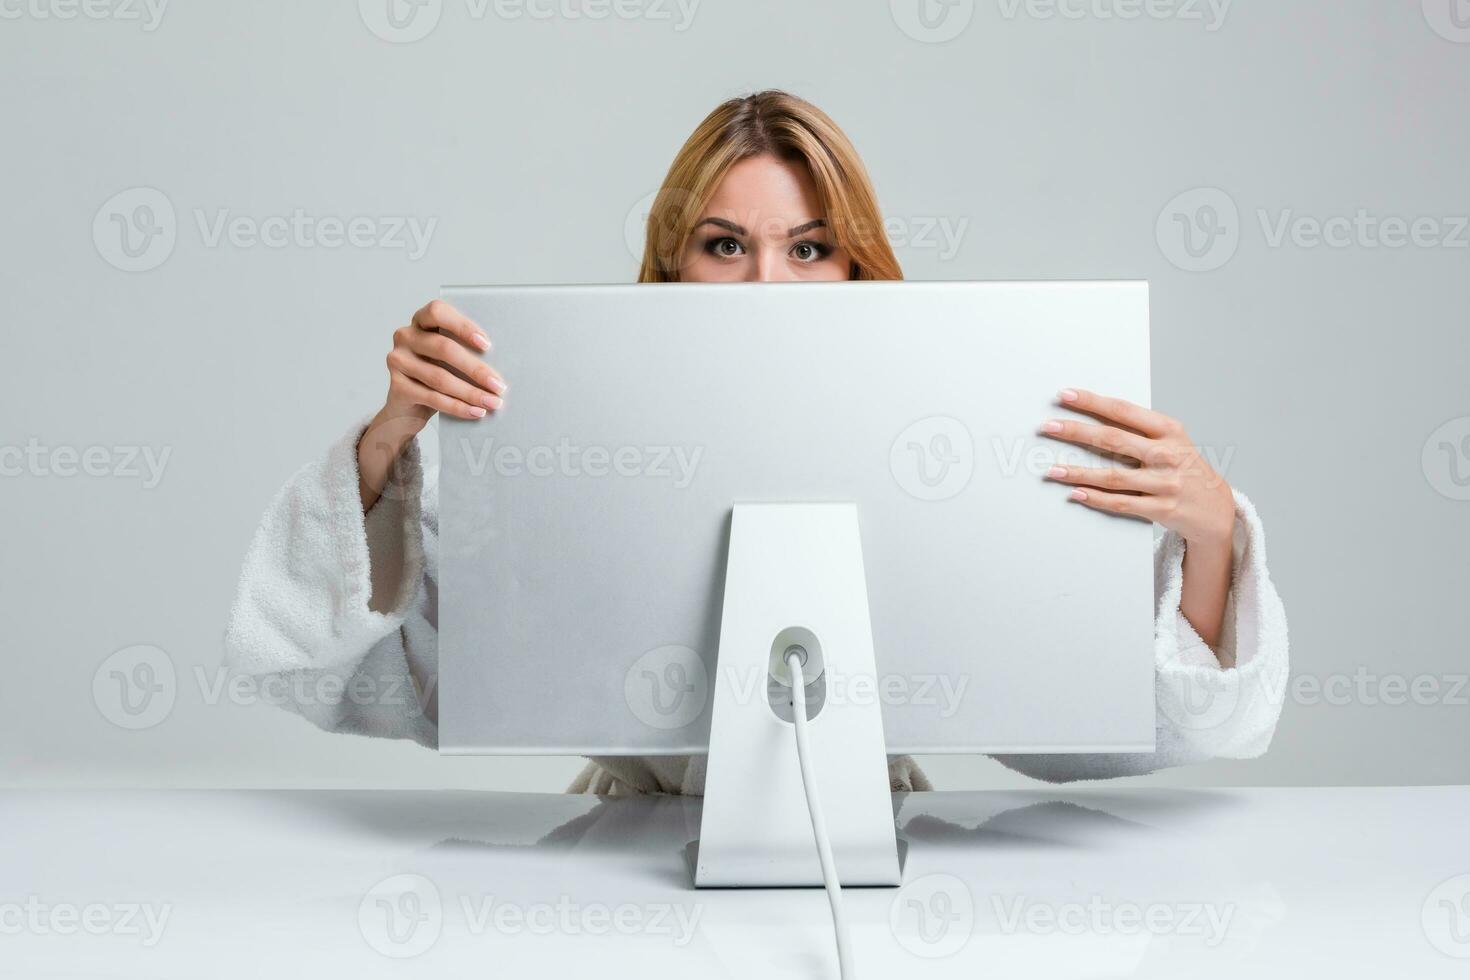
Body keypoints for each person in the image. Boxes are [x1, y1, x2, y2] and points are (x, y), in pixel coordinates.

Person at [224, 90, 1288, 795]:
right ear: (672, 263)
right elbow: (347, 675)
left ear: (859, 267)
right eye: (725, 243)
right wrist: (385, 446)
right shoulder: (553, 443)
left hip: (880, 846)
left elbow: (1143, 722)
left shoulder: (950, 441)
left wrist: (1208, 541)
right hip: (610, 853)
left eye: (810, 246)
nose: (767, 284)